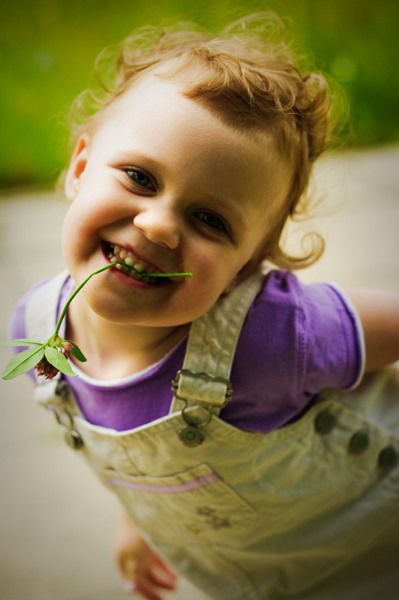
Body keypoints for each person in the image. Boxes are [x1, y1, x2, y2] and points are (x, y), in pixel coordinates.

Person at [7, 13, 399, 600]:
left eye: (211, 220)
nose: (160, 226)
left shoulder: (274, 335)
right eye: (140, 177)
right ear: (81, 168)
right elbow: (139, 455)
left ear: (249, 262)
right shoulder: (40, 332)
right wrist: (143, 524)